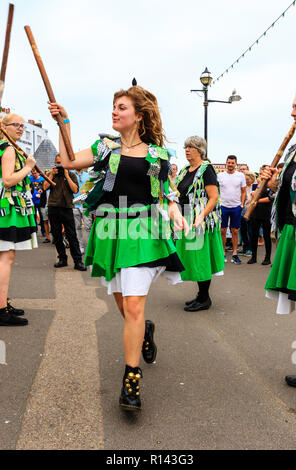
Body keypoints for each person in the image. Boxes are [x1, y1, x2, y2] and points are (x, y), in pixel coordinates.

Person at [48, 85, 188, 411]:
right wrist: (63, 122)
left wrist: (176, 211)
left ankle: (131, 380)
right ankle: (145, 330)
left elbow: (165, 194)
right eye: (113, 106)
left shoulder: (156, 155)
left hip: (143, 232)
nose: (114, 111)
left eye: (121, 107)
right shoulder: (104, 148)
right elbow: (68, 161)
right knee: (126, 307)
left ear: (138, 116)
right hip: (110, 232)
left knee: (135, 308)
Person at [261, 90, 296, 387]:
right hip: (291, 230)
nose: (292, 113)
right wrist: (274, 180)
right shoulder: (295, 148)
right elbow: (286, 191)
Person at [175, 136, 224, 312]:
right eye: (185, 147)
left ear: (200, 150)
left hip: (199, 221)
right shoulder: (184, 170)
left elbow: (214, 197)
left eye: (191, 147)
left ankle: (204, 298)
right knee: (193, 258)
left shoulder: (206, 169)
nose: (187, 150)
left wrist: (201, 216)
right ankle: (201, 295)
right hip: (185, 218)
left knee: (200, 259)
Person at [0, 113, 37, 326]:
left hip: (8, 208)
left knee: (6, 256)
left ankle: (3, 302)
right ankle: (1, 309)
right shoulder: (8, 149)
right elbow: (7, 180)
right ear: (5, 127)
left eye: (23, 125)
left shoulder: (5, 147)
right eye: (16, 125)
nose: (21, 129)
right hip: (6, 210)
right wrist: (28, 168)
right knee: (6, 257)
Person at [43, 155, 86, 271]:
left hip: (67, 207)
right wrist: (52, 174)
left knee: (72, 236)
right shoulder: (51, 175)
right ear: (54, 163)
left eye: (61, 163)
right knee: (57, 236)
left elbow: (75, 190)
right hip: (53, 207)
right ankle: (62, 259)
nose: (59, 166)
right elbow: (44, 187)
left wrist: (66, 175)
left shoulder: (71, 174)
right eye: (57, 163)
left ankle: (78, 261)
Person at [218, 155, 247, 264]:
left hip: (236, 207)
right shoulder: (220, 176)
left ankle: (235, 254)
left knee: (235, 231)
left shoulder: (240, 176)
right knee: (222, 231)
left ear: (236, 164)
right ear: (226, 163)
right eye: (228, 162)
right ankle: (223, 253)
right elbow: (215, 190)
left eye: (232, 163)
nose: (230, 164)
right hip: (223, 206)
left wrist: (242, 204)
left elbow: (243, 191)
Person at [247, 165, 272, 265]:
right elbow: (253, 195)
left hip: (266, 214)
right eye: (261, 174)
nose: (262, 176)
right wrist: (259, 184)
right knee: (254, 235)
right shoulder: (255, 185)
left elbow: (269, 199)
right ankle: (253, 257)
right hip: (255, 213)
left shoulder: (271, 185)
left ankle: (267, 258)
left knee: (266, 236)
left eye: (264, 174)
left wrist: (257, 201)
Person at [73, 168, 94, 254]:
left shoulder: (87, 175)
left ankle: (89, 248)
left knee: (88, 226)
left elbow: (91, 188)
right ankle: (80, 246)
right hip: (74, 204)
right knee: (77, 227)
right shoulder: (71, 174)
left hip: (85, 205)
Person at [239, 171, 256, 256]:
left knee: (250, 231)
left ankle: (250, 249)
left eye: (248, 179)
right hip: (242, 210)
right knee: (243, 231)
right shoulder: (242, 188)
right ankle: (245, 247)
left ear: (252, 179)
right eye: (245, 179)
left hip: (251, 211)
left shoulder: (255, 187)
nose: (246, 181)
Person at [30, 168, 45, 237]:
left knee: (42, 217)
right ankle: (34, 231)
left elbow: (44, 188)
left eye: (35, 173)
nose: (34, 174)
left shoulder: (42, 179)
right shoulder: (29, 179)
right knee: (33, 216)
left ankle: (43, 231)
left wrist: (41, 192)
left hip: (40, 201)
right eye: (32, 173)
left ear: (38, 172)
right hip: (32, 201)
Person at [39, 169, 51, 243]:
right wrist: (40, 190)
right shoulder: (42, 183)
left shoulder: (53, 183)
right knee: (45, 221)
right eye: (46, 175)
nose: (47, 176)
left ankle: (56, 237)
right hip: (43, 205)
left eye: (48, 175)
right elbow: (40, 189)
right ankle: (48, 237)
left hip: (52, 205)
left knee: (53, 222)